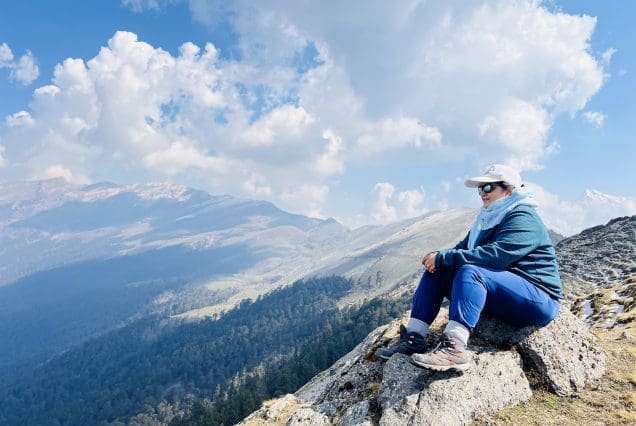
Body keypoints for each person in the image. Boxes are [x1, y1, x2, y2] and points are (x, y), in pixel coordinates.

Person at [375, 164, 562, 372]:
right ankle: (414, 338)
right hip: (504, 291)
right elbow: (461, 251)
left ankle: (454, 349)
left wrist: (446, 257)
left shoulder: (523, 217)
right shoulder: (489, 217)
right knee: (438, 270)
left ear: (509, 189)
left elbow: (497, 256)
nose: (482, 193)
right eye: (480, 189)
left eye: (488, 187)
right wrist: (439, 259)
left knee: (471, 271)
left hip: (538, 298)